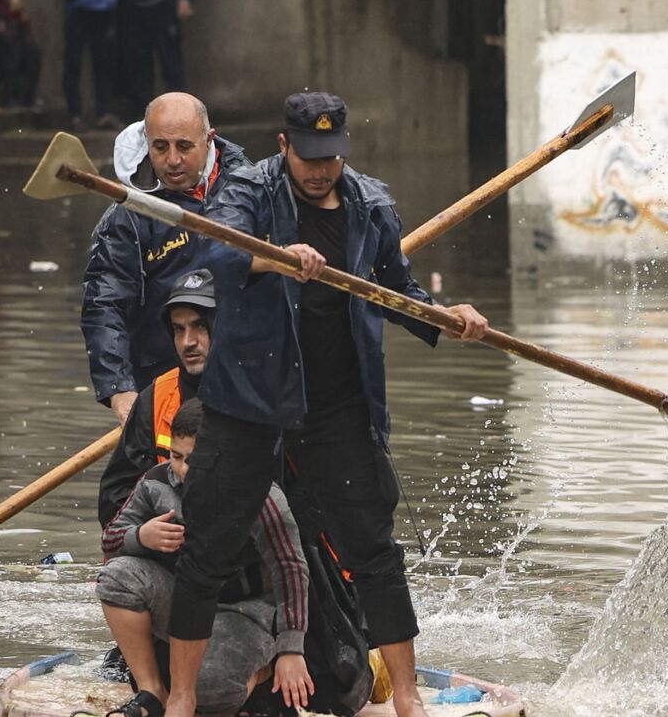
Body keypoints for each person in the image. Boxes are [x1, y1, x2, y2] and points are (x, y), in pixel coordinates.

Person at [159, 92, 489, 717]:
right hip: (250, 398)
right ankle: (179, 698)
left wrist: (447, 317)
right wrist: (271, 258)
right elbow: (209, 259)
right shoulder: (248, 190)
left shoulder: (372, 205)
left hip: (338, 401)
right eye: (308, 158)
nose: (319, 171)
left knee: (373, 548)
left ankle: (409, 697)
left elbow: (397, 289)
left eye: (331, 158)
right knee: (208, 544)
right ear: (284, 147)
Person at [97, 399, 312, 717]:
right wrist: (141, 536)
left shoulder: (259, 493)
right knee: (116, 576)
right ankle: (151, 691)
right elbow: (110, 541)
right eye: (176, 457)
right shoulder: (156, 481)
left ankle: (260, 672)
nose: (183, 471)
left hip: (247, 614)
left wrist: (291, 647)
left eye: (194, 461)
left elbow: (291, 568)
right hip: (183, 601)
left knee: (208, 694)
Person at [80, 93, 248, 425]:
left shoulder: (250, 190)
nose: (172, 161)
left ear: (208, 139)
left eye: (184, 147)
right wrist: (118, 388)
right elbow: (105, 303)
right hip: (164, 381)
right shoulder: (127, 216)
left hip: (243, 375)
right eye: (160, 147)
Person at [98, 268, 213, 529]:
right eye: (178, 329)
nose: (188, 342)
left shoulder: (261, 394)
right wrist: (142, 535)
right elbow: (114, 500)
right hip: (169, 546)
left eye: (200, 326)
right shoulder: (157, 396)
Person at [49, 0, 124, 129]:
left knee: (104, 62)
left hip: (105, 9)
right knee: (73, 62)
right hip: (78, 10)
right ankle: (75, 115)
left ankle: (103, 113)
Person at [117, 0, 196, 114]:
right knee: (137, 65)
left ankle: (179, 115)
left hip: (164, 3)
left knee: (171, 64)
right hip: (133, 4)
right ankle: (141, 119)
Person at [0, 0, 40, 110]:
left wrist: (21, 15)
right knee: (13, 52)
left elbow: (27, 35)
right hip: (2, 49)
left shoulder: (20, 10)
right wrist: (11, 14)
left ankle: (29, 98)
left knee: (34, 52)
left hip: (19, 46)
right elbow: (3, 35)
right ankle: (10, 98)